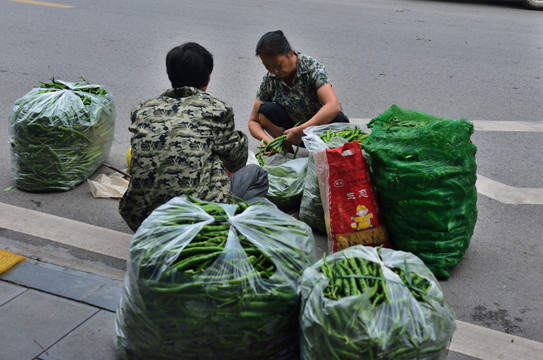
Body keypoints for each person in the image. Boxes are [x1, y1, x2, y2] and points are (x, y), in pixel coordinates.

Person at [119, 42, 268, 232]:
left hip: (141, 218)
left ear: (170, 75)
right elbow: (237, 160)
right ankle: (227, 230)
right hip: (196, 219)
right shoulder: (216, 109)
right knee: (257, 174)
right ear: (207, 78)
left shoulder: (142, 110)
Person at [248, 30, 349, 148]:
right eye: (268, 66)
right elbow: (253, 121)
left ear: (290, 53)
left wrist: (301, 130)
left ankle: (325, 151)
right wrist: (267, 141)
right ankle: (286, 151)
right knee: (265, 110)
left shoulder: (311, 67)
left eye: (278, 64)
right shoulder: (270, 80)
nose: (274, 71)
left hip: (323, 130)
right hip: (293, 136)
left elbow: (333, 105)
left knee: (336, 117)